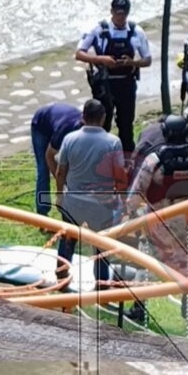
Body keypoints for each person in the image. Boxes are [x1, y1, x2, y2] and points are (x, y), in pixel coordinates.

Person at [127, 114, 188, 293]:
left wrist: (131, 212)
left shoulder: (153, 160)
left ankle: (140, 307)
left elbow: (136, 193)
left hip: (157, 222)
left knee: (147, 264)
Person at [53, 99, 127, 284]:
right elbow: (120, 175)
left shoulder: (70, 139)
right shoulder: (113, 142)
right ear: (103, 118)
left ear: (83, 117)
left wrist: (59, 195)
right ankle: (101, 282)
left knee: (68, 238)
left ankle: (61, 276)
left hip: (73, 201)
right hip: (101, 204)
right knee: (101, 244)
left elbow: (60, 171)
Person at [75, 0, 151, 155]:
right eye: (117, 13)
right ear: (111, 11)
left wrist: (132, 63)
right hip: (104, 85)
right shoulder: (98, 30)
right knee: (101, 125)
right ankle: (99, 158)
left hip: (126, 84)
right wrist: (100, 59)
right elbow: (79, 54)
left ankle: (126, 162)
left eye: (123, 14)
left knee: (126, 125)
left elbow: (147, 60)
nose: (120, 17)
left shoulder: (136, 32)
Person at [30, 101, 84, 215]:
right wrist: (61, 184)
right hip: (41, 125)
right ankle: (42, 215)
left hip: (57, 120)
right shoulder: (66, 130)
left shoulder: (89, 134)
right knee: (43, 170)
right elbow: (49, 156)